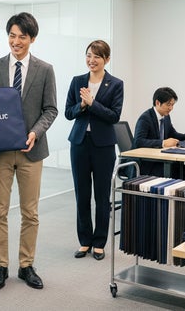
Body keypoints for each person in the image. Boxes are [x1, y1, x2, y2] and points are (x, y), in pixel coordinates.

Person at [0, 12, 58, 290]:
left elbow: (50, 109)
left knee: (30, 212)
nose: (16, 41)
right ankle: (0, 266)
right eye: (12, 35)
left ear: (32, 38)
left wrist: (35, 132)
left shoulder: (45, 70)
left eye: (22, 36)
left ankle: (26, 265)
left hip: (31, 151)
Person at [65, 40, 123, 261]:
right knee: (82, 195)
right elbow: (68, 113)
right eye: (89, 55)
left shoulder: (116, 84)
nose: (92, 60)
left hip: (103, 146)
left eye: (97, 56)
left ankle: (99, 243)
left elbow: (114, 116)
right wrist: (81, 105)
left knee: (101, 196)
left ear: (107, 59)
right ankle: (85, 241)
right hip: (79, 143)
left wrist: (92, 103)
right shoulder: (77, 81)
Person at [133, 87, 185, 180]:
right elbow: (138, 141)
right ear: (158, 103)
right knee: (174, 173)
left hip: (160, 160)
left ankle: (178, 190)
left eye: (172, 105)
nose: (171, 108)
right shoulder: (145, 118)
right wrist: (163, 143)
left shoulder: (166, 117)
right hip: (147, 164)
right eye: (168, 105)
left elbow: (173, 134)